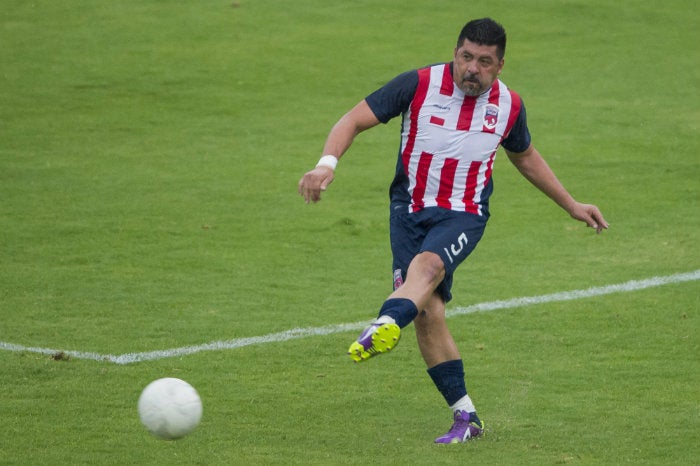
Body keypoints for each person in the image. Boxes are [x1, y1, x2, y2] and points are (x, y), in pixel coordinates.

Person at [298, 18, 608, 444]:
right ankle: (466, 417)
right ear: (455, 53)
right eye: (466, 57)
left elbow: (525, 156)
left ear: (500, 65)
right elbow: (353, 119)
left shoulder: (509, 106)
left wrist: (571, 204)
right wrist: (325, 164)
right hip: (407, 212)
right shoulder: (418, 84)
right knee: (427, 312)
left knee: (427, 268)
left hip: (463, 214)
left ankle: (386, 320)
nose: (472, 69)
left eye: (484, 62)